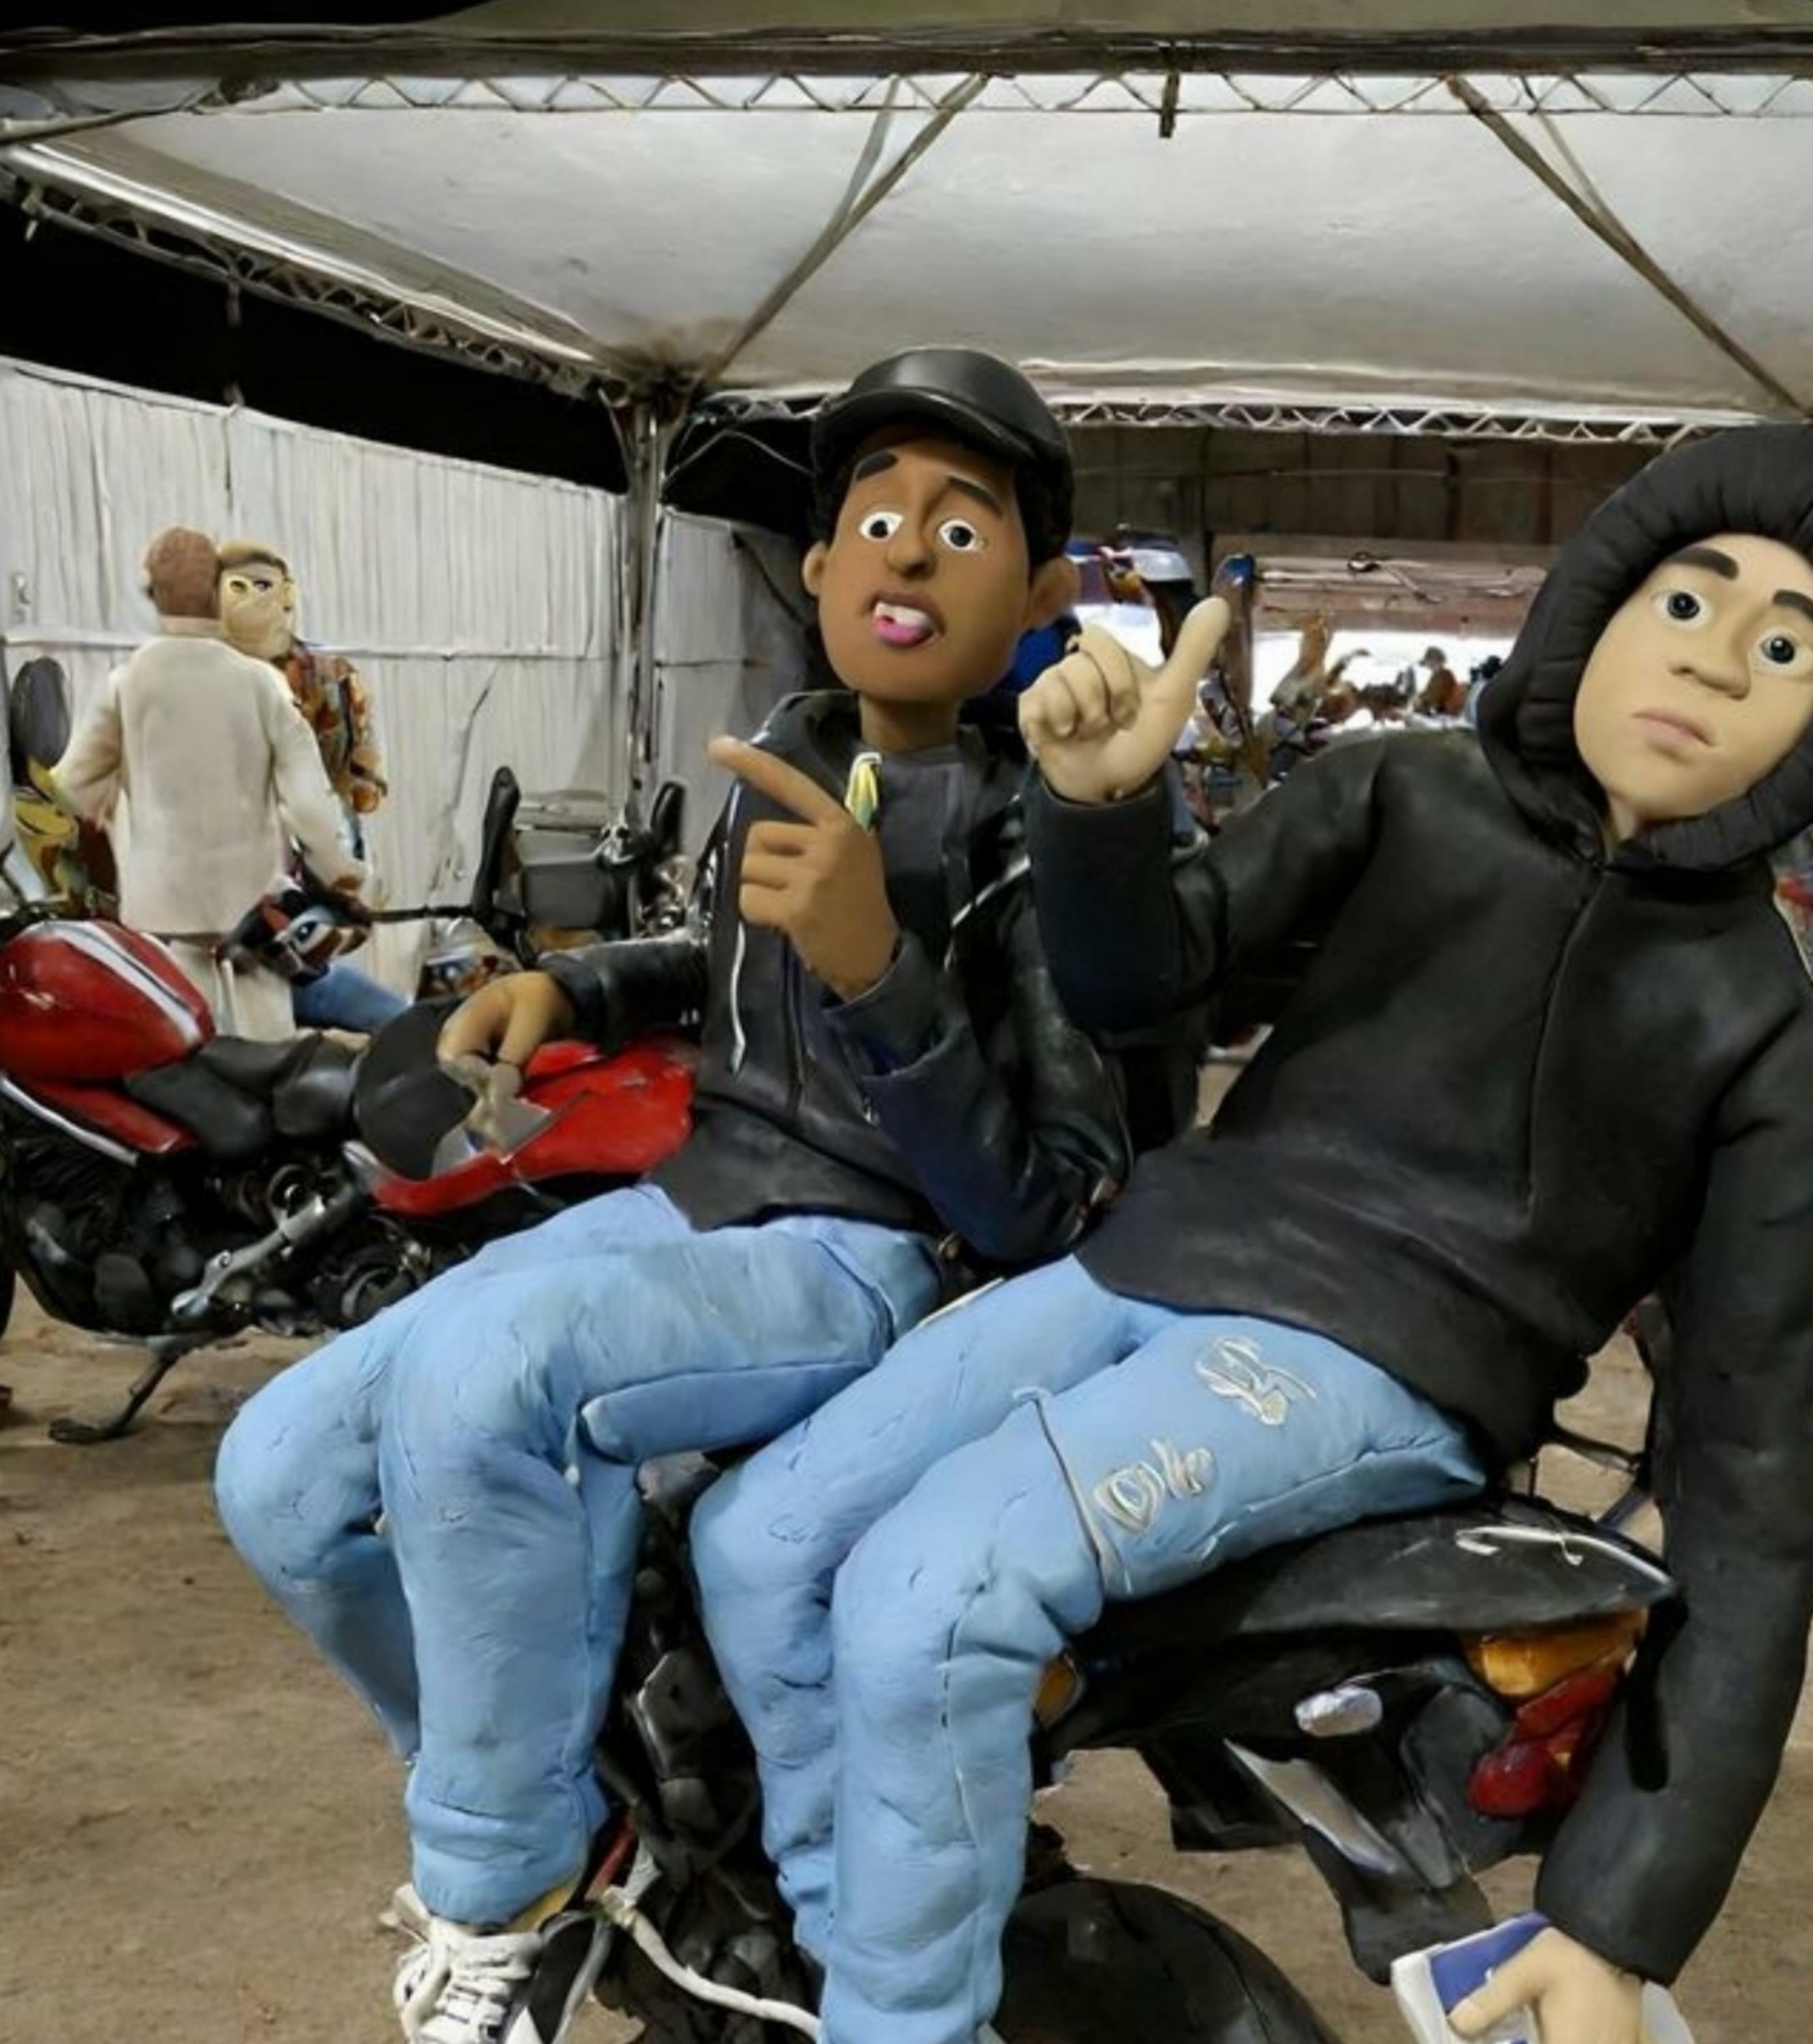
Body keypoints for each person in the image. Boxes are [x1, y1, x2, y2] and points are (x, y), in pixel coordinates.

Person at [690, 423, 1813, 2044]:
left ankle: (897, 2022)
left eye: (1781, 649)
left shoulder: (1767, 1043)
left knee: (930, 1592)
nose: (1709, 661)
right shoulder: (1399, 787)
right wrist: (1098, 813)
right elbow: (1146, 977)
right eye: (1685, 604)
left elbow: (1751, 1475)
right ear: (1601, 605)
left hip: (1379, 1362)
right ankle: (833, 1949)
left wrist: (1618, 1915)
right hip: (1139, 1262)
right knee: (758, 1540)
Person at [213, 347, 1136, 2044]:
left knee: (485, 1380)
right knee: (275, 1469)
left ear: (1041, 595)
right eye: (874, 519)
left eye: (961, 527)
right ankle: (565, 1793)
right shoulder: (787, 749)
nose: (907, 551)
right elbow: (722, 969)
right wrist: (576, 986)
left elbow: (1048, 1203)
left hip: (869, 1250)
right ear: (820, 566)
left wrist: (879, 970)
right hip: (694, 1200)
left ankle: (505, 1882)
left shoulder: (1037, 835)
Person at [50, 525, 362, 1039]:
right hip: (253, 918)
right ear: (217, 592)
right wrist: (345, 877)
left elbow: (72, 789)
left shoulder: (127, 684)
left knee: (178, 1044)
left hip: (163, 915)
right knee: (269, 1049)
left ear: (153, 593)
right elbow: (310, 805)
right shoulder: (260, 683)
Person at [216, 538, 407, 1033]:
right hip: (270, 931)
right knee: (402, 1027)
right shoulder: (333, 675)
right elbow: (364, 793)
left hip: (258, 927)